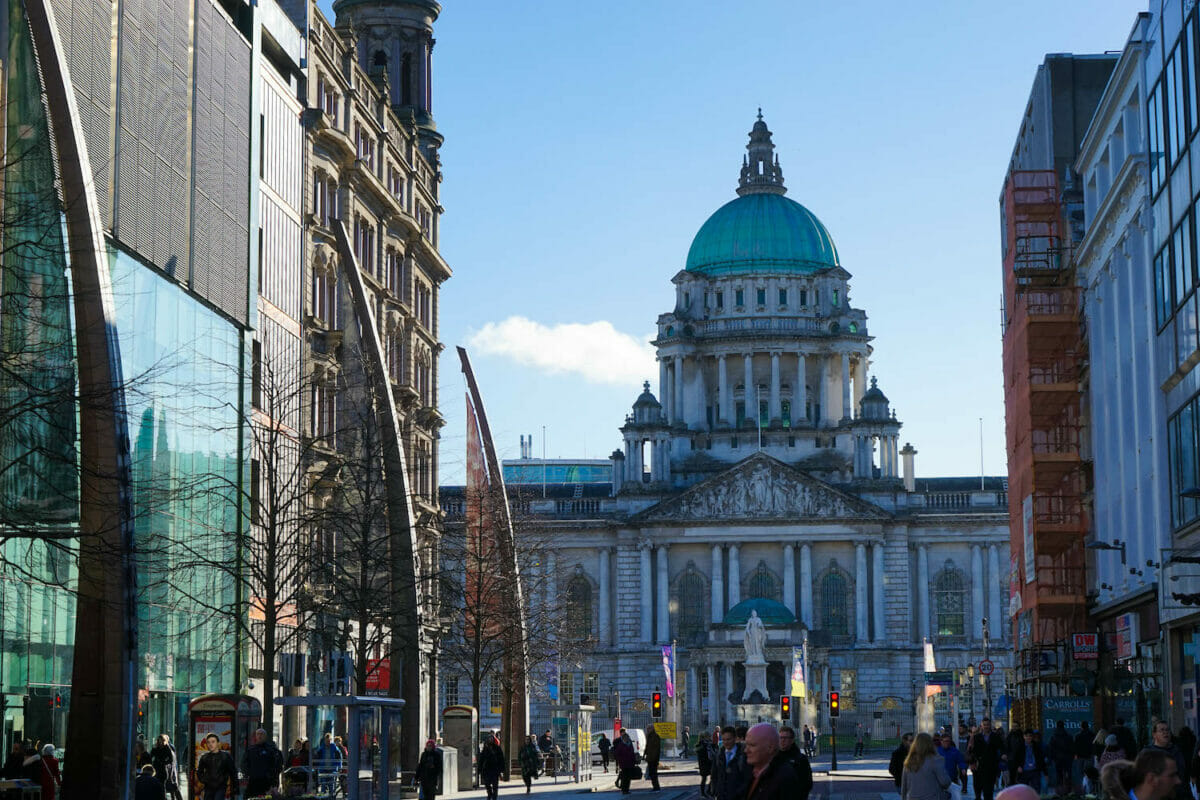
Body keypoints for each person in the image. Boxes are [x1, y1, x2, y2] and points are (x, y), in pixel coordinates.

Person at [740, 723, 800, 800]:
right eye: (746, 745)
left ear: (770, 748)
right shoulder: (749, 771)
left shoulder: (784, 777)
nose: (746, 750)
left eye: (752, 745)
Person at [1143, 720, 1190, 800]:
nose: (1165, 732)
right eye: (1162, 730)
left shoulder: (1177, 750)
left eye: (1167, 730)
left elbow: (1183, 775)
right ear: (1154, 734)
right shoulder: (1147, 753)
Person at [901, 732, 951, 800]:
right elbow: (945, 782)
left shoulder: (909, 761)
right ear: (930, 744)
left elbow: (904, 786)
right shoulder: (936, 760)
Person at [242, 727, 284, 797]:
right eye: (258, 734)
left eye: (262, 734)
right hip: (253, 781)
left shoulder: (272, 750)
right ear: (255, 736)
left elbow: (279, 764)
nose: (260, 736)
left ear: (265, 736)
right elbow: (244, 763)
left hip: (267, 781)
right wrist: (248, 773)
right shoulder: (250, 750)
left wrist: (272, 775)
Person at [196, 734, 237, 800]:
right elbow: (199, 772)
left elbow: (233, 772)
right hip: (208, 787)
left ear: (218, 743)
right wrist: (205, 780)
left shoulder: (226, 756)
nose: (210, 744)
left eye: (213, 741)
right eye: (208, 742)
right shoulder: (204, 757)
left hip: (221, 786)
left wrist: (235, 787)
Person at [970, 720, 1003, 800]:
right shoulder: (977, 737)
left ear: (990, 725)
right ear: (981, 726)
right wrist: (972, 763)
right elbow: (973, 751)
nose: (986, 726)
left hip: (991, 766)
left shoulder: (995, 736)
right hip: (979, 766)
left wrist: (1001, 756)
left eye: (987, 725)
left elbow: (1001, 748)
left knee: (989, 790)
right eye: (984, 725)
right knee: (978, 788)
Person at [778, 726, 813, 800]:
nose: (782, 740)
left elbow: (807, 783)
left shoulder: (800, 759)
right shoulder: (773, 757)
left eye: (785, 738)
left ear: (792, 740)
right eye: (780, 737)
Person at [712, 725, 748, 800]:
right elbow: (714, 775)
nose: (726, 742)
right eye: (724, 739)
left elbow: (747, 778)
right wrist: (716, 791)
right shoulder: (719, 755)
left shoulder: (743, 755)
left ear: (735, 738)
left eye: (728, 739)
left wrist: (740, 793)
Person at [150, 734, 182, 800]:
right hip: (157, 769)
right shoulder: (156, 748)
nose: (160, 742)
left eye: (161, 740)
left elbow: (171, 760)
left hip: (164, 770)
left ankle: (164, 798)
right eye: (159, 740)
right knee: (161, 786)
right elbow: (150, 756)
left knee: (164, 786)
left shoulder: (167, 748)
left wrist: (164, 762)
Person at [938, 732, 968, 797]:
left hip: (952, 778)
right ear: (941, 741)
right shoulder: (937, 751)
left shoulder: (955, 751)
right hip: (940, 779)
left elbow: (961, 761)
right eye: (945, 741)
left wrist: (963, 768)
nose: (947, 743)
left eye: (949, 741)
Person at [1049, 721, 1074, 795]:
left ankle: (1060, 791)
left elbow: (1051, 748)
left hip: (1058, 759)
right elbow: (1072, 748)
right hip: (1067, 759)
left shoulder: (1053, 736)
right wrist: (1071, 757)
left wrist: (1052, 758)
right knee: (1068, 774)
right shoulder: (1068, 736)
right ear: (1064, 726)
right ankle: (1068, 790)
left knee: (1059, 774)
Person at [479, 735, 505, 800]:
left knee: (495, 785)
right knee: (487, 784)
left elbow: (501, 759)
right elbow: (481, 759)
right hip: (487, 769)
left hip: (495, 769)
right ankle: (490, 793)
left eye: (491, 739)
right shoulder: (485, 749)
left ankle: (494, 797)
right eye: (489, 739)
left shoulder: (497, 748)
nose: (490, 740)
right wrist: (479, 769)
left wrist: (501, 770)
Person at [613, 729, 638, 795]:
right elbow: (617, 753)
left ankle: (627, 789)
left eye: (627, 738)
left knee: (628, 777)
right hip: (623, 763)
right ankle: (624, 790)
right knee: (624, 777)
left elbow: (632, 752)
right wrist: (620, 760)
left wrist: (634, 761)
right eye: (625, 738)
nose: (627, 739)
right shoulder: (621, 745)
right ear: (623, 738)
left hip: (630, 763)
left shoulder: (630, 744)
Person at [1073, 722, 1094, 793]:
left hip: (1080, 756)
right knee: (1088, 773)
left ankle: (1082, 788)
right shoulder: (1092, 735)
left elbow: (1075, 746)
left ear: (1081, 727)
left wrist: (1075, 755)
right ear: (1088, 726)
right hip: (1089, 756)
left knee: (1080, 773)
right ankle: (1089, 789)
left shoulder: (1077, 735)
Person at [644, 724, 662, 791]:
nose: (647, 730)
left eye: (649, 728)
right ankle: (655, 786)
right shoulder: (649, 736)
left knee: (653, 773)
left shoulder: (655, 736)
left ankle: (656, 787)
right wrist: (645, 755)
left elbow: (657, 749)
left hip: (653, 759)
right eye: (647, 729)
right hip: (650, 758)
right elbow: (647, 747)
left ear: (652, 729)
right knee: (651, 773)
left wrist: (655, 759)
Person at [696, 731, 714, 797]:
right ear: (705, 737)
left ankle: (709, 790)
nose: (710, 738)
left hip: (710, 763)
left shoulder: (710, 743)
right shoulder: (700, 744)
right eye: (709, 736)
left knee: (713, 777)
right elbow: (699, 752)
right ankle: (703, 793)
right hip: (703, 764)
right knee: (704, 778)